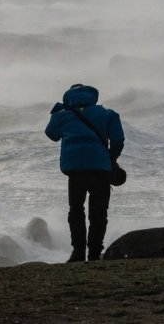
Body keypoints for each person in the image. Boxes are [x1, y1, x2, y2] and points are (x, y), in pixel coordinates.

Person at [45, 84, 124, 262]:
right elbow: (118, 140)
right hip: (100, 169)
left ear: (68, 97)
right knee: (99, 212)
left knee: (76, 210)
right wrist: (111, 157)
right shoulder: (107, 114)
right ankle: (95, 253)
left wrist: (56, 112)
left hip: (75, 169)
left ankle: (78, 252)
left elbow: (51, 134)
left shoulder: (64, 115)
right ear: (92, 96)